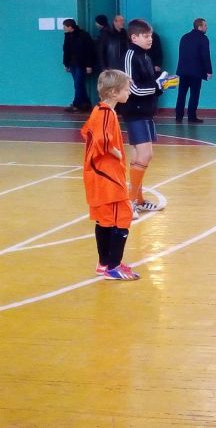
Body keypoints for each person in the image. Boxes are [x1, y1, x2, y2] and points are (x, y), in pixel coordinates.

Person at [81, 69, 140, 280]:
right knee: (122, 216)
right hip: (107, 175)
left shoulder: (99, 110)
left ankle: (104, 263)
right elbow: (103, 141)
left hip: (99, 174)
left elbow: (86, 132)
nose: (129, 93)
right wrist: (117, 152)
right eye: (126, 89)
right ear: (114, 92)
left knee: (105, 219)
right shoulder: (106, 112)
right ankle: (113, 266)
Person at [119, 19, 163, 216]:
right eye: (145, 36)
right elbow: (133, 88)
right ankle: (129, 202)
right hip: (134, 111)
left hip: (146, 111)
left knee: (140, 156)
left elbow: (149, 84)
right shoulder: (130, 56)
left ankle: (139, 200)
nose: (150, 39)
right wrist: (156, 86)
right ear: (134, 37)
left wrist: (161, 85)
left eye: (150, 35)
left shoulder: (146, 56)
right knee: (145, 155)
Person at [175, 18, 212, 123]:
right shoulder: (203, 39)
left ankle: (178, 116)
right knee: (194, 94)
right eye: (205, 25)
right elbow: (206, 56)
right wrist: (209, 71)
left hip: (183, 71)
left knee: (181, 94)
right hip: (196, 71)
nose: (206, 27)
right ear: (199, 27)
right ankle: (191, 117)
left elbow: (181, 54)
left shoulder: (184, 37)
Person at [61, 19, 94, 112]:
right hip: (72, 64)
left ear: (70, 27)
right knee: (79, 84)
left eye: (65, 27)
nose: (63, 29)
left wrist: (89, 65)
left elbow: (89, 51)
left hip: (81, 64)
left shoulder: (83, 35)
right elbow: (66, 50)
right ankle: (85, 104)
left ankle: (76, 104)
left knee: (78, 84)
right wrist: (66, 63)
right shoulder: (68, 36)